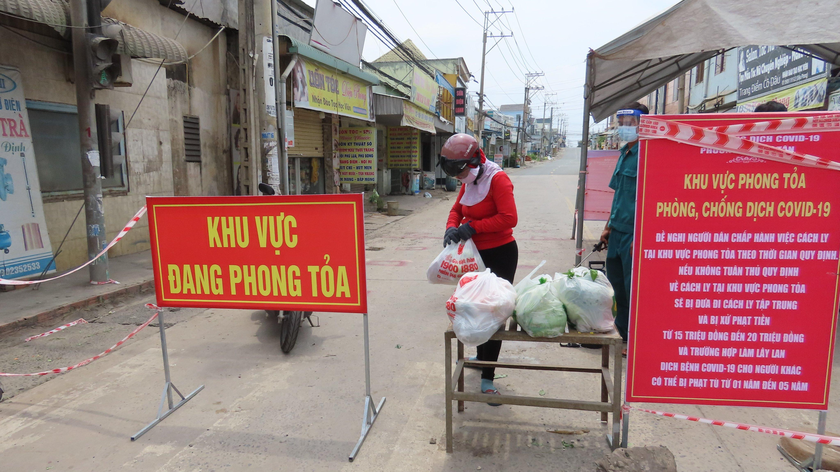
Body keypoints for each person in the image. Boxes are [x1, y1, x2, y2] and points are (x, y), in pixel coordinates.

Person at [440, 133, 518, 405]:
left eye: (461, 171)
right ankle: (480, 357)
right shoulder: (469, 180)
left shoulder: (497, 179)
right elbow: (457, 209)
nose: (460, 179)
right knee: (473, 307)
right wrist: (452, 226)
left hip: (500, 253)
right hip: (475, 256)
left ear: (474, 160)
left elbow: (509, 218)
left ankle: (488, 377)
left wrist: (473, 227)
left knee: (494, 312)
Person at [600, 102, 648, 356]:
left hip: (634, 233)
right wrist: (608, 227)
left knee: (633, 290)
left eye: (631, 124)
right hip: (617, 231)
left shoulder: (648, 154)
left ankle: (634, 341)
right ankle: (621, 334)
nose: (625, 128)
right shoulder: (624, 153)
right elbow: (619, 195)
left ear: (644, 125)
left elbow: (651, 199)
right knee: (617, 287)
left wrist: (642, 234)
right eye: (622, 124)